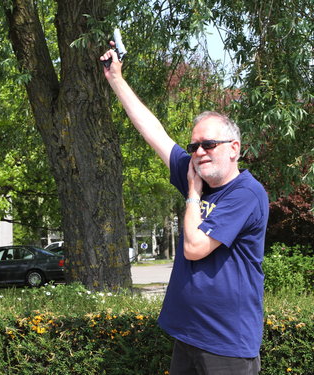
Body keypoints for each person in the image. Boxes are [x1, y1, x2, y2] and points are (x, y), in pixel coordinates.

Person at [101, 45, 269, 374]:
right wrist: (116, 79)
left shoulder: (247, 193)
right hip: (189, 336)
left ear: (234, 149)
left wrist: (192, 194)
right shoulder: (196, 172)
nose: (199, 152)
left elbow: (194, 248)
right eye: (194, 146)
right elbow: (153, 132)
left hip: (227, 345)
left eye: (209, 144)